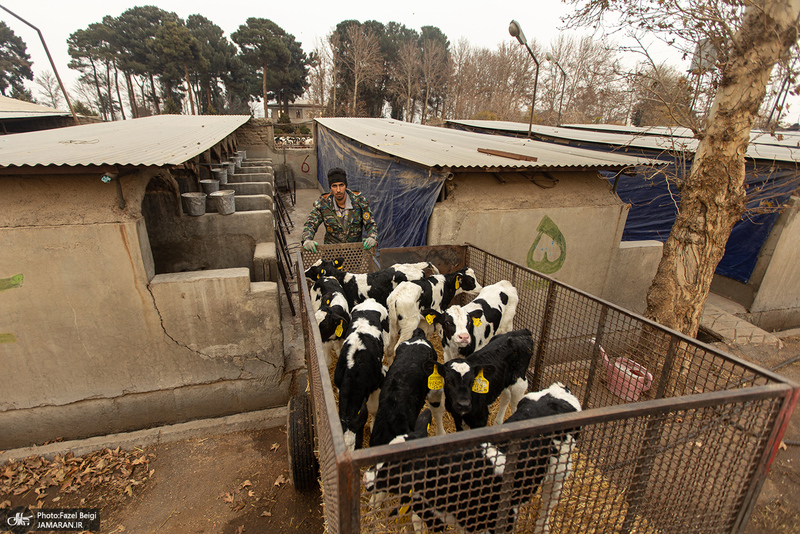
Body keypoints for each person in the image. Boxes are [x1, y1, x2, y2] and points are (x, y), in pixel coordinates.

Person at [302, 167, 378, 253]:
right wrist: (307, 239)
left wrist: (372, 237)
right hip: (331, 253)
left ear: (345, 185)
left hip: (354, 254)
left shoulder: (360, 202)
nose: (338, 190)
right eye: (334, 186)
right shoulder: (323, 204)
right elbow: (310, 224)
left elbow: (370, 224)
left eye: (341, 185)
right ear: (330, 188)